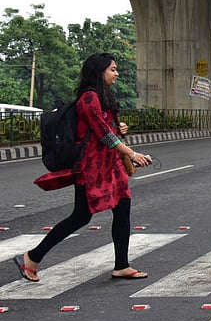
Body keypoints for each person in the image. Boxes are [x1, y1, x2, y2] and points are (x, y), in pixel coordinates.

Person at [12, 53, 152, 283]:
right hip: (92, 168)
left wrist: (120, 128)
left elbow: (106, 130)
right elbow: (103, 134)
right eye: (112, 69)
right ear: (99, 71)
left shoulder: (105, 96)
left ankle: (122, 265)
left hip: (110, 166)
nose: (116, 74)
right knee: (81, 216)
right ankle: (32, 258)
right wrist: (132, 153)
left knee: (122, 210)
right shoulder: (89, 97)